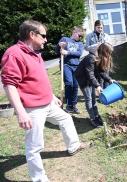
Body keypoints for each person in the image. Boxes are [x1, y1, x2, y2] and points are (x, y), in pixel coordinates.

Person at [1, 20, 90, 182]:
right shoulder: (14, 54)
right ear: (32, 35)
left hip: (47, 103)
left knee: (66, 119)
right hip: (32, 108)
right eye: (43, 36)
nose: (46, 40)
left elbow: (40, 78)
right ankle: (40, 179)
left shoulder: (35, 52)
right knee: (34, 147)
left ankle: (74, 146)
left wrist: (52, 96)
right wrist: (21, 113)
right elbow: (9, 85)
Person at [75, 43, 115, 128]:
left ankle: (97, 116)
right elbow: (90, 73)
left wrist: (109, 79)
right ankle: (92, 118)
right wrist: (97, 85)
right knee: (89, 98)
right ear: (104, 51)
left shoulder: (100, 58)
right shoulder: (91, 57)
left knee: (93, 98)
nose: (110, 54)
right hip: (82, 78)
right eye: (109, 52)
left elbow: (101, 72)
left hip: (90, 79)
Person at [54, 26, 84, 114]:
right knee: (69, 84)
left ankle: (73, 105)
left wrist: (68, 52)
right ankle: (68, 105)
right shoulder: (65, 39)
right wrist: (59, 46)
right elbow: (56, 51)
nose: (80, 38)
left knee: (75, 85)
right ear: (74, 32)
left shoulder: (80, 44)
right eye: (79, 35)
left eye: (81, 36)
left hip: (76, 66)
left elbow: (79, 53)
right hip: (66, 65)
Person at [85, 20, 112, 89]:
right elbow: (86, 48)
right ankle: (101, 94)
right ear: (95, 27)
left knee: (106, 75)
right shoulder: (89, 36)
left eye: (101, 28)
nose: (100, 29)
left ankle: (107, 93)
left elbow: (110, 46)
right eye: (98, 27)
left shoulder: (106, 36)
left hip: (105, 58)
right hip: (95, 58)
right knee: (100, 77)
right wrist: (95, 46)